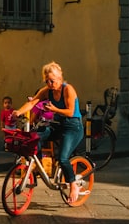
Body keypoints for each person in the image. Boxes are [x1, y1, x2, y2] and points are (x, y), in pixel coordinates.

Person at [14, 61, 85, 202]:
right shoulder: (47, 91)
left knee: (63, 158)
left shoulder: (68, 89)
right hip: (58, 124)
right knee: (36, 137)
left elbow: (71, 112)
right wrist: (18, 112)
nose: (49, 84)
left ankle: (73, 185)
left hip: (73, 127)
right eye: (46, 81)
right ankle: (37, 164)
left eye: (52, 81)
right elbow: (32, 102)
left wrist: (54, 110)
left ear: (59, 78)